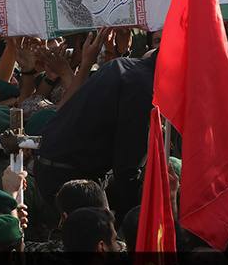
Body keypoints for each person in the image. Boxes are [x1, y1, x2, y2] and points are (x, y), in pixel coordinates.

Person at [34, 54, 155, 227]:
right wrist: (143, 215)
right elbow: (127, 169)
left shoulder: (121, 66)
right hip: (70, 174)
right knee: (94, 236)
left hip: (61, 164)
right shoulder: (143, 87)